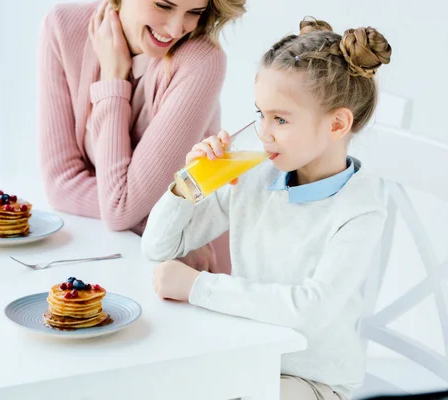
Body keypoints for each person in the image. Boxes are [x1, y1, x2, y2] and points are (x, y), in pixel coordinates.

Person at [142, 17, 392, 399]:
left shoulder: (359, 211)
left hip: (313, 382)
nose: (263, 132)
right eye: (261, 114)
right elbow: (159, 248)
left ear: (338, 124)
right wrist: (187, 184)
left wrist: (198, 286)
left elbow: (309, 311)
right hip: (248, 358)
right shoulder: (257, 177)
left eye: (280, 119)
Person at [37, 0, 245, 272]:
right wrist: (156, 218)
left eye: (194, 12)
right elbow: (61, 184)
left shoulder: (201, 60)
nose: (175, 28)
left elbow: (119, 208)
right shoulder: (64, 28)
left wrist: (112, 80)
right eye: (163, 5)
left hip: (184, 267)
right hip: (120, 249)